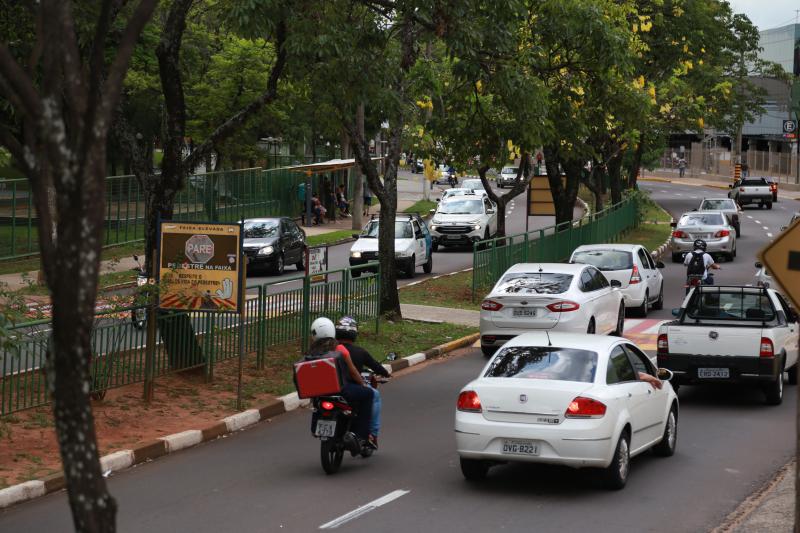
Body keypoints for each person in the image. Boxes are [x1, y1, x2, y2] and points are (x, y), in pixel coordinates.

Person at [308, 317, 375, 447]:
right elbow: (353, 371)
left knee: (317, 404)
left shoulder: (311, 352)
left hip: (320, 392)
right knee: (368, 394)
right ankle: (360, 435)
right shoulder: (340, 349)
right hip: (341, 390)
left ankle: (315, 428)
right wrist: (362, 384)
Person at [335, 316, 389, 449]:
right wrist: (386, 373)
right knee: (373, 394)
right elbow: (373, 366)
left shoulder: (327, 350)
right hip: (348, 389)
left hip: (329, 389)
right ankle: (370, 434)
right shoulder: (357, 352)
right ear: (354, 333)